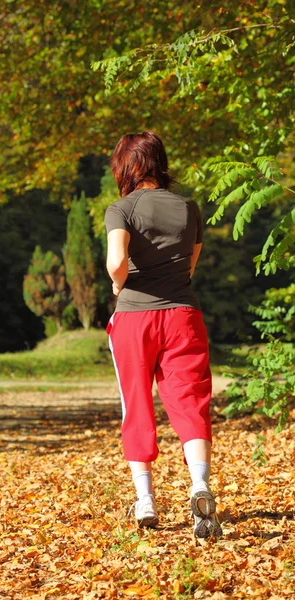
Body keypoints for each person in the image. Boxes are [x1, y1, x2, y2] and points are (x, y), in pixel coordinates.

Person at [104, 131, 222, 539]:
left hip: (135, 318)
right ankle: (201, 485)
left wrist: (120, 285)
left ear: (126, 167)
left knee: (136, 404)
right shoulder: (189, 208)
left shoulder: (121, 208)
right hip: (183, 315)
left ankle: (146, 500)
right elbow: (190, 266)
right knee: (191, 402)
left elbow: (117, 260)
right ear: (159, 163)